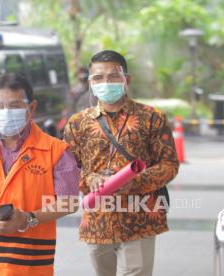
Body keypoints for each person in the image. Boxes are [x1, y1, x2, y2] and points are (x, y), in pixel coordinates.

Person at [0, 73, 80, 276]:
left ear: (32, 108)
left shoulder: (56, 151)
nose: (5, 112)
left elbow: (69, 202)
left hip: (27, 266)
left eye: (14, 105)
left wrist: (28, 219)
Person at [64, 50, 179, 276]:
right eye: (98, 78)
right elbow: (66, 169)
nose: (105, 82)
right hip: (97, 220)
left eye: (113, 76)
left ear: (126, 79)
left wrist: (135, 181)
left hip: (141, 218)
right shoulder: (77, 123)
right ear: (90, 82)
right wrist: (90, 178)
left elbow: (169, 164)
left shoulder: (152, 118)